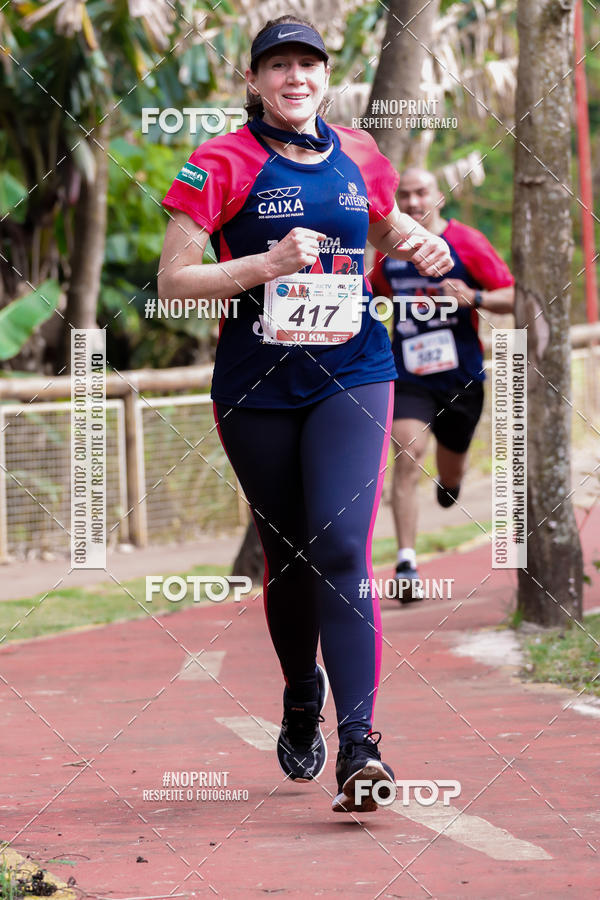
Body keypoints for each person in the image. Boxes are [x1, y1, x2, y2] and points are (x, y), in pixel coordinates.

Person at [158, 17, 452, 813]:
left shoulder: (360, 151)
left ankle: (359, 743)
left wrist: (414, 240)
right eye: (278, 65)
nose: (295, 78)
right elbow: (175, 281)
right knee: (287, 557)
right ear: (254, 81)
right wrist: (263, 264)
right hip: (256, 386)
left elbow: (377, 223)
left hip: (352, 372)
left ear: (326, 76)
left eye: (308, 65)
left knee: (339, 544)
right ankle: (300, 691)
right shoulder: (219, 161)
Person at [371, 168, 515, 603]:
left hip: (461, 377)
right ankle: (407, 563)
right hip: (409, 372)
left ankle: (450, 482)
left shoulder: (467, 242)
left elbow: (513, 294)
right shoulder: (388, 247)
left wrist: (476, 297)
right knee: (407, 453)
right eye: (406, 195)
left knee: (449, 471)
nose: (413, 202)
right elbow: (373, 292)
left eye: (421, 193)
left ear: (439, 196)